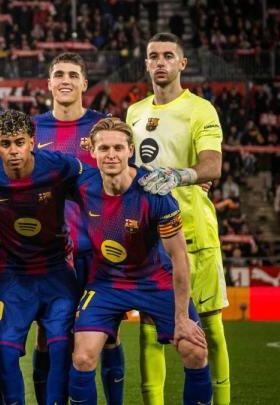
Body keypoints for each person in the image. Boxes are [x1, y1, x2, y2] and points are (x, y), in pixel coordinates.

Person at [68, 117, 212, 405]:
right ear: (92, 152)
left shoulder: (155, 193)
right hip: (106, 282)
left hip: (154, 280)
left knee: (195, 351)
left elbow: (179, 257)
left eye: (118, 148)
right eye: (104, 148)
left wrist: (182, 319)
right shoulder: (82, 185)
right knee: (82, 358)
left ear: (130, 151)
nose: (111, 155)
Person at [126, 32, 229, 405]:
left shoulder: (200, 109)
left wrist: (181, 175)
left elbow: (212, 165)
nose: (161, 62)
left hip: (194, 232)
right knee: (150, 331)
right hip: (151, 236)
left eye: (169, 55)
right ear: (146, 63)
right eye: (154, 56)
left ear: (182, 63)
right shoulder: (134, 113)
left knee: (210, 328)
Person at [0, 110, 81, 405]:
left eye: (19, 142)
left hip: (56, 272)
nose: (13, 151)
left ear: (32, 142)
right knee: (4, 349)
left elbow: (97, 180)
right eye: (5, 144)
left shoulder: (59, 166)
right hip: (10, 274)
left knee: (61, 346)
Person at [33, 52, 124, 404]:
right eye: (59, 74)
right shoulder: (33, 129)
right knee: (48, 335)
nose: (66, 80)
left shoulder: (105, 128)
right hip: (51, 254)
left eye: (73, 74)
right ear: (49, 83)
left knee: (108, 334)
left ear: (85, 83)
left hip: (99, 251)